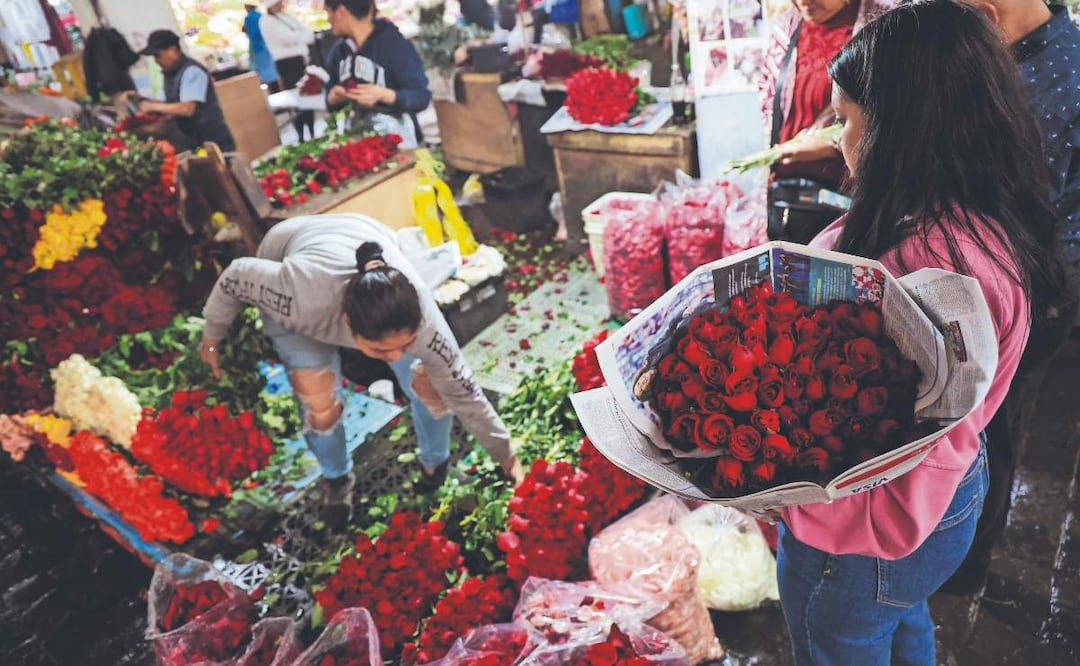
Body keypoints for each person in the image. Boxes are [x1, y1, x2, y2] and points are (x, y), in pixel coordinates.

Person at [776, 1, 1069, 663]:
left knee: (841, 636)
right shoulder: (991, 221)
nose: (838, 139)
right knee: (900, 614)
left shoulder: (908, 270)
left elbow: (842, 433)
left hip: (860, 536)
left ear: (902, 132)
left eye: (845, 121)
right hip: (949, 499)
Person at [199, 214, 524, 530]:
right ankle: (337, 477)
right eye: (382, 351)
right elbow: (236, 276)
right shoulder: (297, 300)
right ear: (346, 324)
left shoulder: (421, 319)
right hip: (292, 253)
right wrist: (211, 338)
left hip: (363, 232)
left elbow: (464, 391)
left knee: (431, 387)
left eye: (404, 344)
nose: (396, 355)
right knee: (319, 402)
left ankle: (434, 463)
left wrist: (507, 456)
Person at [948, 0, 1080, 593]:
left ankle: (968, 565)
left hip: (1038, 284)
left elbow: (1032, 200)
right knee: (966, 417)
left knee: (994, 424)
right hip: (984, 272)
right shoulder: (998, 52)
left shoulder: (1067, 71)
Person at [759, 0, 892, 243]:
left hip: (851, 195)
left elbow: (891, 114)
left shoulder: (884, 26)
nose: (803, 2)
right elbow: (770, 102)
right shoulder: (786, 26)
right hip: (792, 195)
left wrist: (829, 145)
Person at [323, 0, 431, 148]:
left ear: (341, 11)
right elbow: (330, 98)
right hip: (358, 144)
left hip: (400, 144)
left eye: (328, 11)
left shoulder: (395, 46)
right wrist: (333, 98)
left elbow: (421, 97)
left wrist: (384, 95)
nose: (328, 19)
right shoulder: (338, 53)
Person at [137, 30, 236, 152]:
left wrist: (153, 106)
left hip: (213, 142)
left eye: (158, 55)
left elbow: (187, 109)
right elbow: (172, 104)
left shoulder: (192, 71)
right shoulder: (171, 74)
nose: (156, 61)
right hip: (193, 142)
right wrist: (144, 101)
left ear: (172, 50)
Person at [261, 0, 317, 141]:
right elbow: (290, 38)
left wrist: (301, 36)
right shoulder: (267, 21)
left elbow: (306, 33)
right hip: (287, 65)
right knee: (296, 101)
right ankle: (301, 136)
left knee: (307, 97)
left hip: (300, 61)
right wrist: (300, 35)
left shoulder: (287, 17)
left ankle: (312, 132)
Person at [243, 3, 281, 90]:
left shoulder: (249, 18)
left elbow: (253, 35)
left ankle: (273, 91)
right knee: (272, 70)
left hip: (258, 48)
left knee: (266, 73)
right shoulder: (261, 15)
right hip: (266, 47)